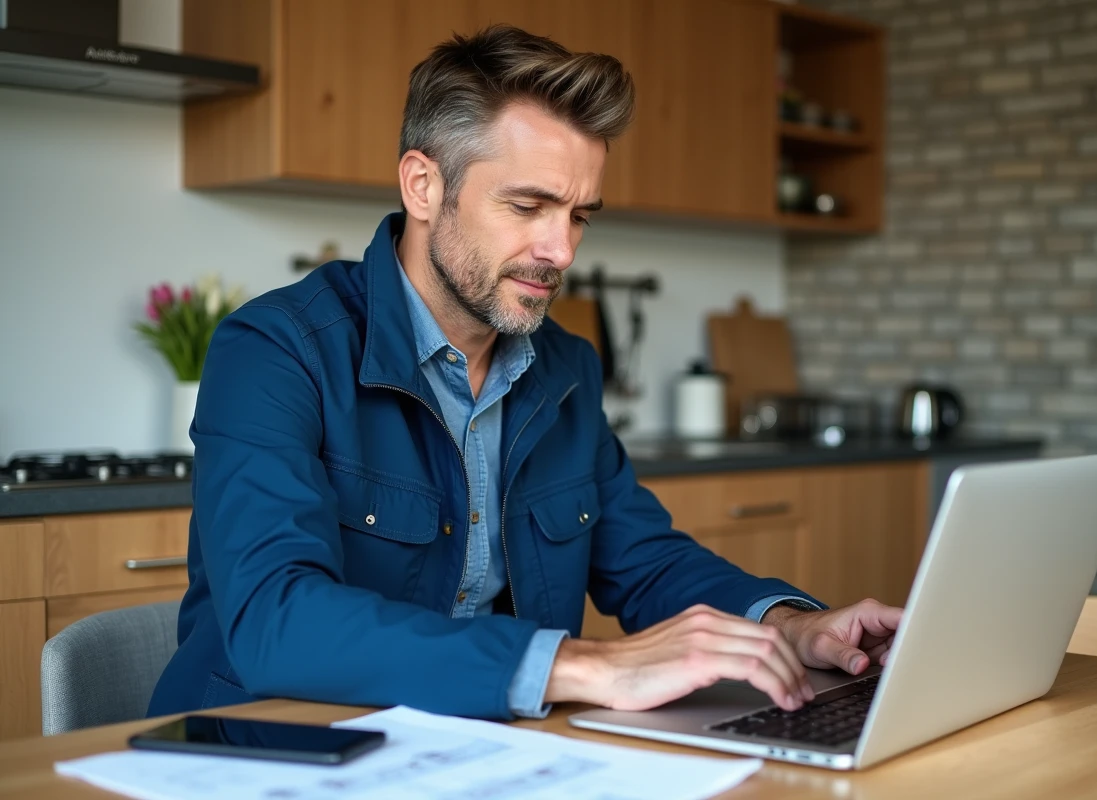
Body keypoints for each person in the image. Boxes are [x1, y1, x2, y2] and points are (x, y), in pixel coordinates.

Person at [148, 25, 902, 722]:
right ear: (423, 185)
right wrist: (582, 666)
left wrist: (788, 626)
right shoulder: (275, 348)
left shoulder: (564, 365)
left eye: (579, 215)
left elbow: (644, 561)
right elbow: (277, 618)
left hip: (479, 749)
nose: (562, 249)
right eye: (528, 206)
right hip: (270, 747)